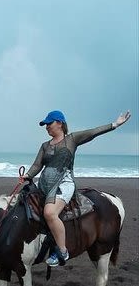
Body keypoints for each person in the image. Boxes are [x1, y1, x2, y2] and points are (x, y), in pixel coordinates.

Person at [21, 109, 131, 266]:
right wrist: (29, 175)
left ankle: (62, 251)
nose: (46, 127)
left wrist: (115, 124)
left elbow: (93, 132)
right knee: (23, 203)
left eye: (48, 123)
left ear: (59, 123)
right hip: (44, 183)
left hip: (63, 184)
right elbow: (38, 164)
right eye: (45, 125)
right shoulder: (45, 145)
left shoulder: (72, 139)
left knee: (50, 213)